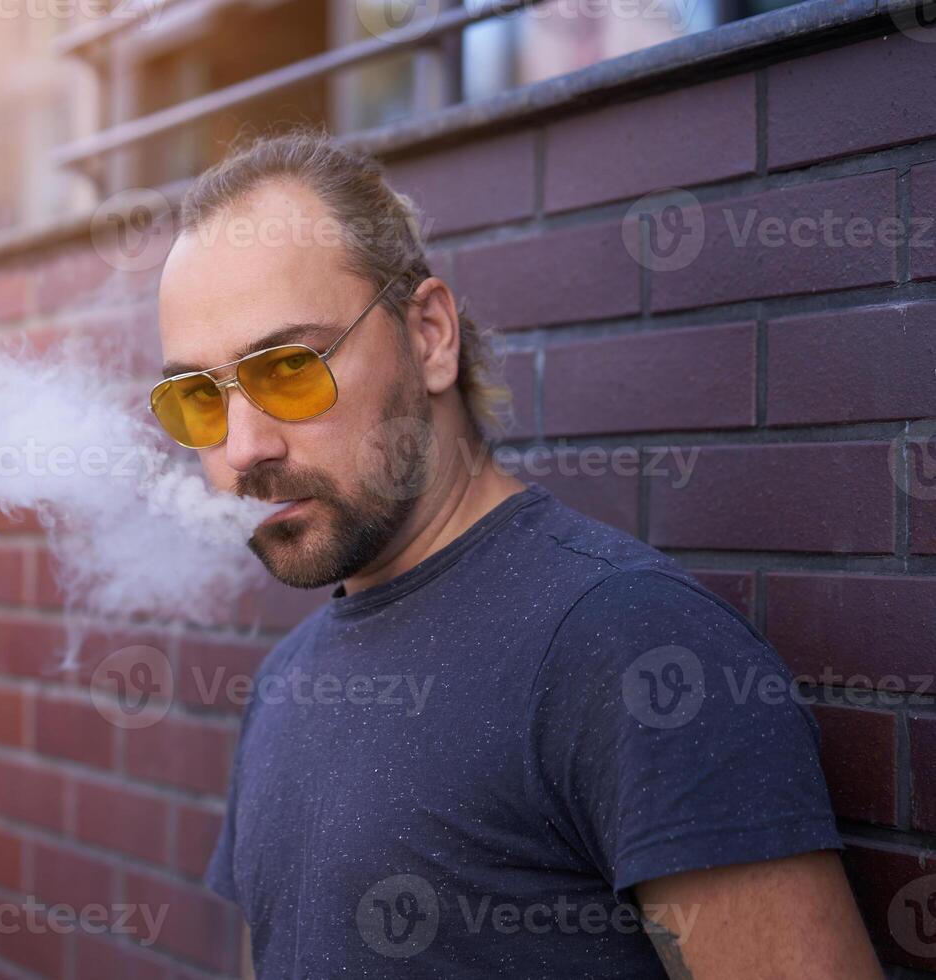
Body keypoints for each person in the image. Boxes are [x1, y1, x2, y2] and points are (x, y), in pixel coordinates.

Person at [150, 128, 882, 979]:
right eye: (199, 398)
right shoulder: (284, 677)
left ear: (429, 335)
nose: (242, 449)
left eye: (287, 367)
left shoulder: (632, 644)